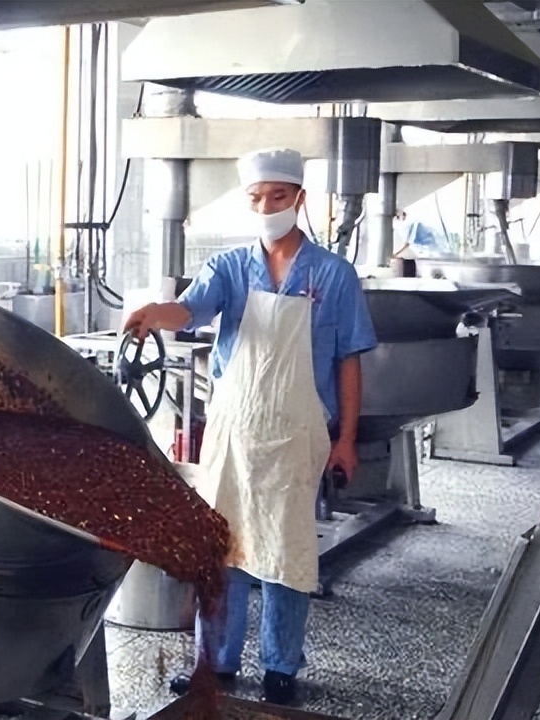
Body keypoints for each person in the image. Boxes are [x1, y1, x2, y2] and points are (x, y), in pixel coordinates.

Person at [123, 147, 378, 705]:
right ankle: (215, 661)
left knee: (285, 552)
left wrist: (347, 439)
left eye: (279, 197)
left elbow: (349, 359)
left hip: (297, 432)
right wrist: (151, 315)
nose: (268, 208)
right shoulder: (230, 268)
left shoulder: (332, 275)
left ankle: (281, 666)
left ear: (300, 199)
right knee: (223, 548)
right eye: (257, 199)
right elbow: (189, 310)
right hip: (235, 432)